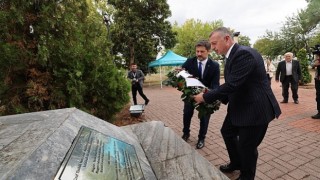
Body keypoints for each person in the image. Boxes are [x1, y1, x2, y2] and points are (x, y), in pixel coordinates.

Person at [193, 27, 281, 180]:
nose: (212, 48)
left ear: (227, 39)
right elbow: (236, 84)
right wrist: (219, 99)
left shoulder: (243, 54)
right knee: (227, 131)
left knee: (247, 147)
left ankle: (246, 176)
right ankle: (236, 163)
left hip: (254, 109)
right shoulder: (233, 54)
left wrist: (206, 97)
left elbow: (232, 84)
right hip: (241, 105)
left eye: (214, 44)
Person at [181, 40, 220, 149]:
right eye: (197, 51)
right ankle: (185, 133)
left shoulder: (214, 66)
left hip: (205, 97)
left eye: (202, 51)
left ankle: (201, 138)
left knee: (204, 118)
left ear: (208, 51)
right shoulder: (189, 62)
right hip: (190, 96)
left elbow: (216, 85)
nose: (198, 54)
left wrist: (206, 93)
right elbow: (181, 75)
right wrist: (178, 73)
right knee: (187, 115)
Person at [311, 46, 320, 119]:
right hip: (317, 80)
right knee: (318, 96)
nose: (316, 56)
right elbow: (313, 66)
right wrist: (315, 64)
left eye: (317, 55)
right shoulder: (317, 60)